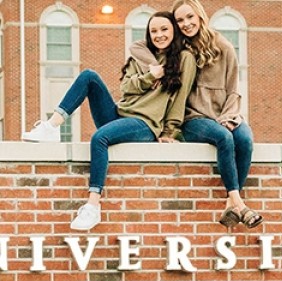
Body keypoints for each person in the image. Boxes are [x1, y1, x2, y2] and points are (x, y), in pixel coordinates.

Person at [22, 11, 196, 231]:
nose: (159, 35)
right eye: (153, 31)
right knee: (88, 75)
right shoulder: (142, 56)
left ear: (174, 31)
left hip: (145, 124)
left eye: (164, 29)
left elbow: (180, 98)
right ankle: (52, 126)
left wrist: (169, 132)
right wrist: (151, 75)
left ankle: (93, 205)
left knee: (99, 138)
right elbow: (125, 87)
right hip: (119, 115)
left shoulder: (184, 59)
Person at [130, 0, 263, 230]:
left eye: (189, 17)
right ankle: (239, 203)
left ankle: (231, 203)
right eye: (180, 20)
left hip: (224, 114)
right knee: (224, 138)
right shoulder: (178, 48)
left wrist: (229, 117)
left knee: (244, 140)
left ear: (200, 16)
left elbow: (233, 90)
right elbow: (136, 47)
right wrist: (155, 68)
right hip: (193, 118)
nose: (185, 24)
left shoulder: (224, 47)